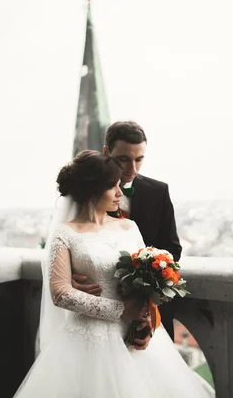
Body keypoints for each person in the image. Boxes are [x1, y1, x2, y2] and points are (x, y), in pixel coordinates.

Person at [14, 150, 213, 398]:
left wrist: (147, 321)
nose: (120, 192)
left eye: (120, 185)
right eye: (113, 186)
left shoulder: (129, 227)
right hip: (88, 341)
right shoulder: (64, 235)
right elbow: (61, 293)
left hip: (133, 337)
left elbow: (146, 278)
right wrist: (120, 310)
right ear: (92, 190)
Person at [71, 121, 181, 346]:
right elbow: (69, 241)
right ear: (106, 152)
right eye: (123, 159)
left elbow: (172, 250)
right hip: (96, 316)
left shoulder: (158, 192)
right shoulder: (82, 193)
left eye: (139, 159)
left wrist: (147, 298)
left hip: (148, 313)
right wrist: (69, 277)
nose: (132, 169)